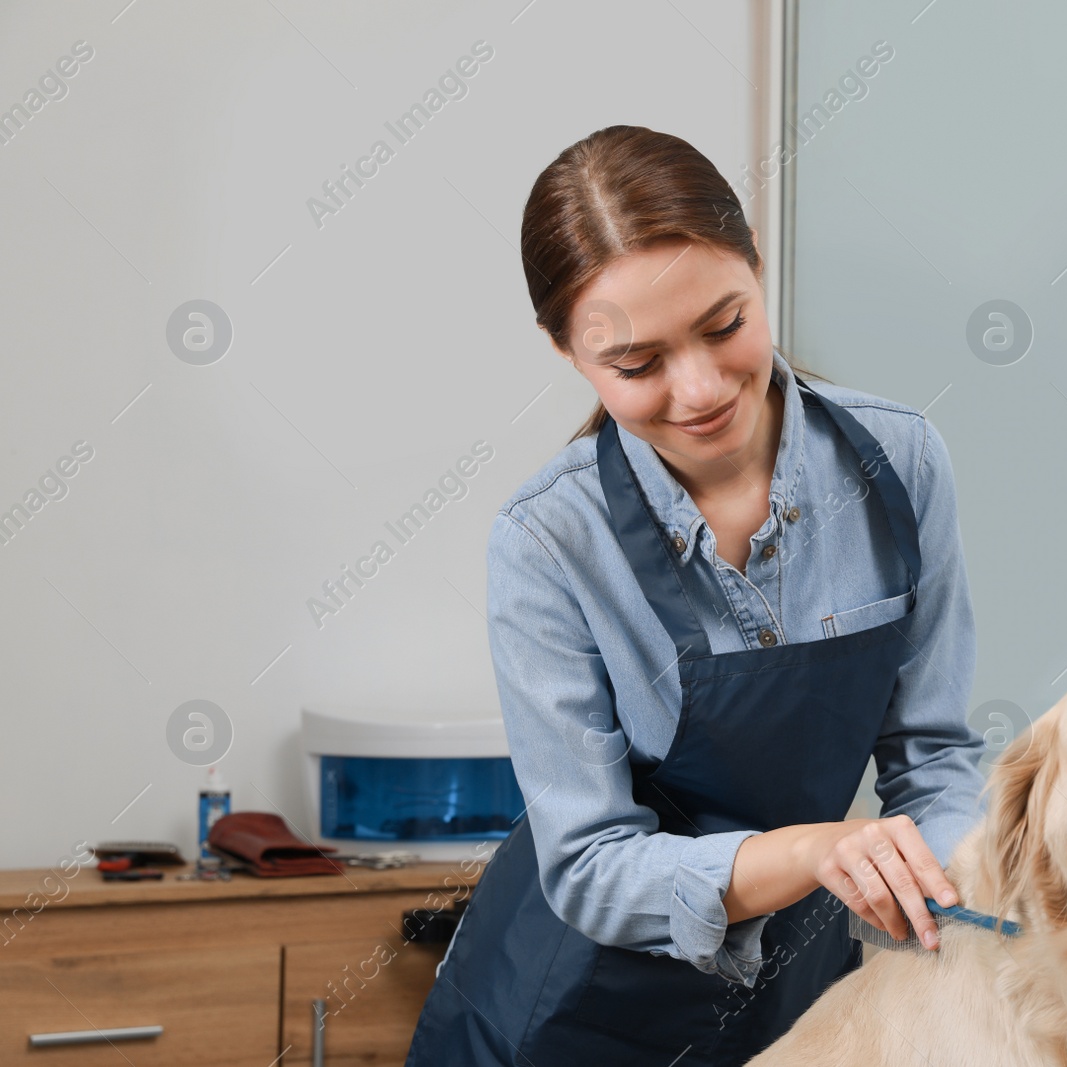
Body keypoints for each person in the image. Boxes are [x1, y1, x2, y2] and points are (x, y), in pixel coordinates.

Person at [406, 125, 989, 1065]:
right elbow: (591, 866)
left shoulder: (901, 465)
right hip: (568, 1007)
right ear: (569, 352)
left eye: (725, 325)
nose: (701, 387)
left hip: (794, 995)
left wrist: (964, 893)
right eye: (637, 365)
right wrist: (810, 854)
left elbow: (931, 757)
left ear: (758, 264)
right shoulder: (549, 540)